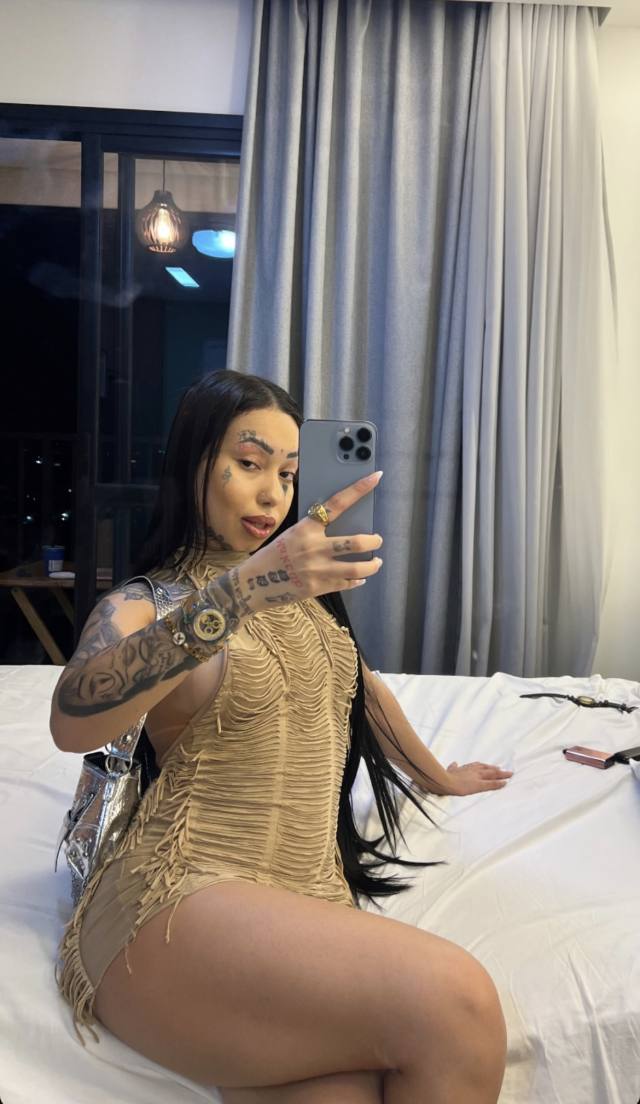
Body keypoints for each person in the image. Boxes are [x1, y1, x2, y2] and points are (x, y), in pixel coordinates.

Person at [52, 370, 513, 1104]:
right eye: (250, 463)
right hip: (174, 895)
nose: (273, 494)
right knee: (460, 1005)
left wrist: (439, 777)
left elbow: (364, 693)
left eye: (289, 474)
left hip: (305, 893)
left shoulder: (307, 601)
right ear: (194, 462)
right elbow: (73, 716)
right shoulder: (147, 602)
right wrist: (243, 590)